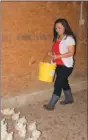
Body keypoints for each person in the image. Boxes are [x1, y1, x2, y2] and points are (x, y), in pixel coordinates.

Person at [43, 18, 76, 110]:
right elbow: (55, 50)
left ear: (65, 27)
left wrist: (58, 56)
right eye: (56, 28)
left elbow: (71, 53)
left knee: (58, 84)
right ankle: (69, 99)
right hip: (57, 64)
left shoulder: (69, 39)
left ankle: (51, 105)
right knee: (63, 81)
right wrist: (51, 53)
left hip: (66, 66)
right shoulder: (58, 37)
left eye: (59, 28)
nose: (57, 30)